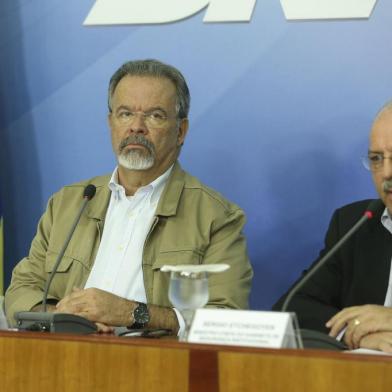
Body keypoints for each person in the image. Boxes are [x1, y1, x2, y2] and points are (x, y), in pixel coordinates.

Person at [5, 59, 253, 333]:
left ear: (180, 131)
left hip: (152, 365)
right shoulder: (68, 203)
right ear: (111, 122)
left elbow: (226, 317)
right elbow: (21, 291)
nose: (137, 126)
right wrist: (61, 317)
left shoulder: (215, 216)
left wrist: (132, 313)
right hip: (64, 357)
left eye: (155, 115)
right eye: (125, 114)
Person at [274, 101, 392, 353]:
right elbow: (294, 306)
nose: (386, 173)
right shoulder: (356, 222)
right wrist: (355, 333)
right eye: (376, 159)